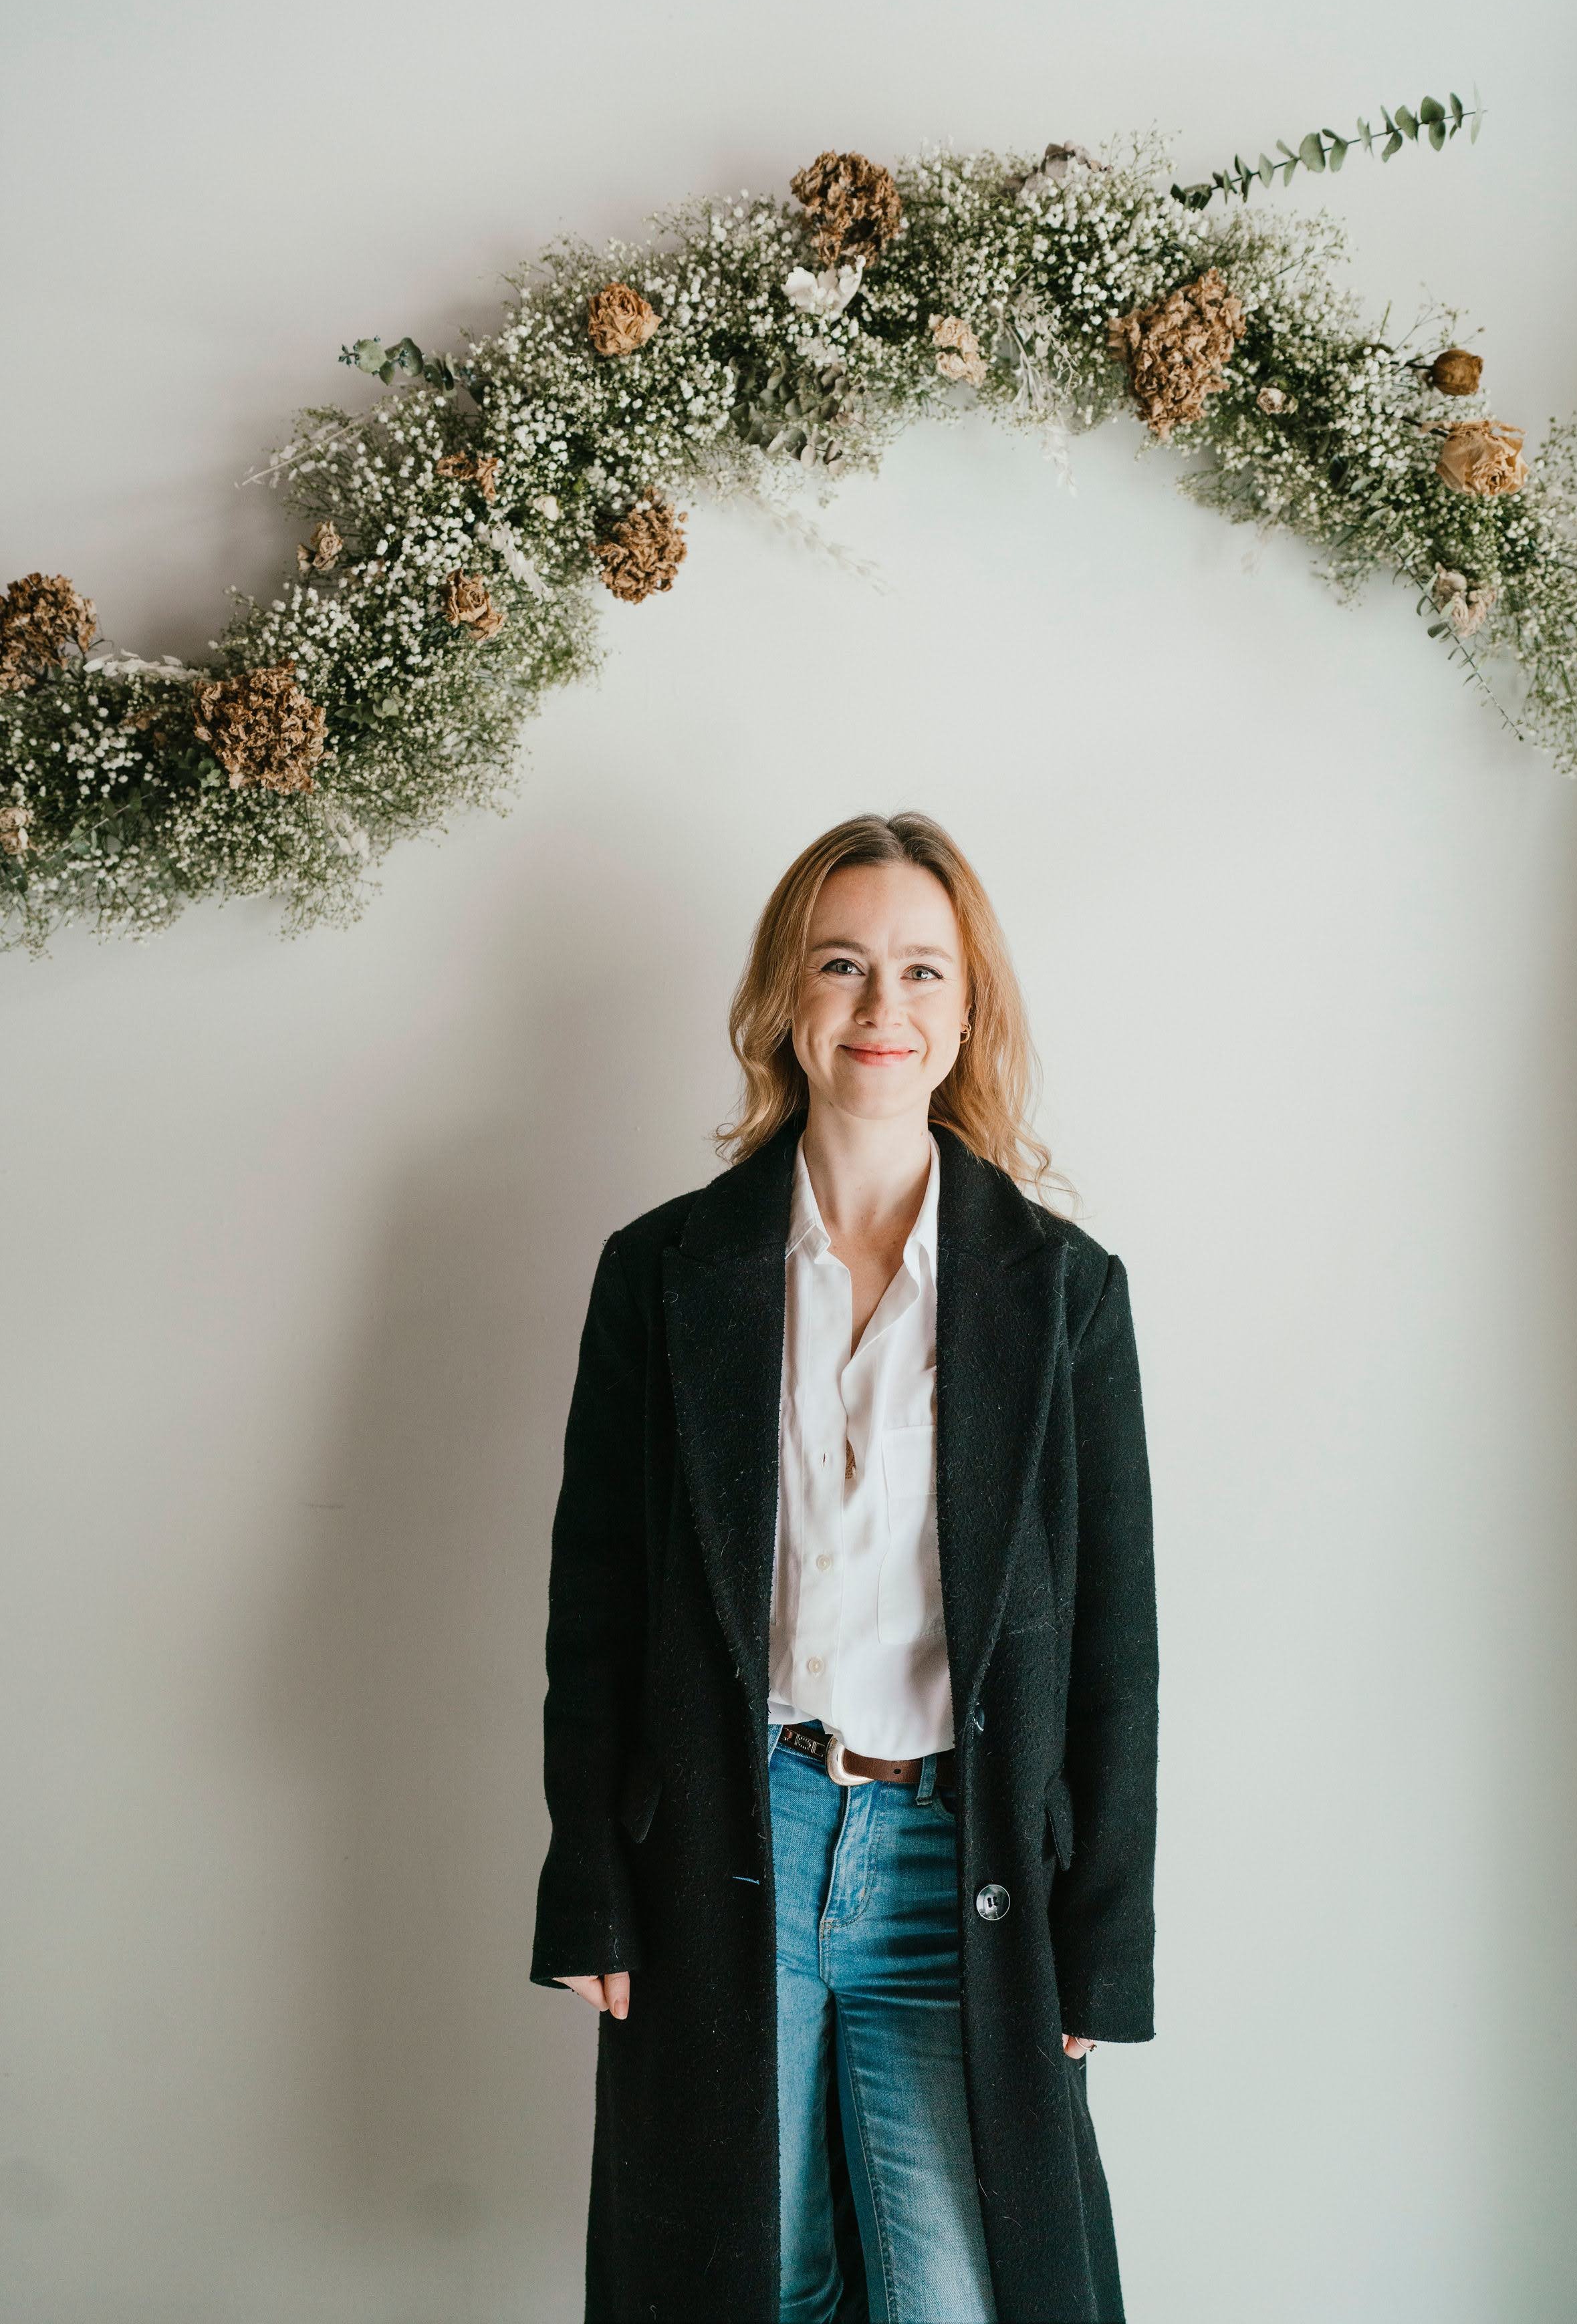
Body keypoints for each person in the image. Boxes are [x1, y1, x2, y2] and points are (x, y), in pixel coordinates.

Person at [531, 812, 1157, 2324]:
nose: (883, 1007)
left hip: (968, 1865)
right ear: (785, 1002)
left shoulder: (1064, 1295)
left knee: (954, 2292)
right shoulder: (665, 1271)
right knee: (754, 2282)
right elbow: (596, 1607)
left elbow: (1116, 1645)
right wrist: (588, 1892)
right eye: (843, 964)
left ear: (966, 1014)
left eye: (922, 972)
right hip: (730, 1834)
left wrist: (1106, 1947)